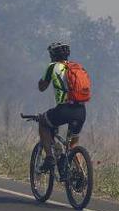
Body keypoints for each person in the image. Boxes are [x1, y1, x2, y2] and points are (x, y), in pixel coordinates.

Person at [37, 42, 86, 172]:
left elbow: (42, 87)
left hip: (64, 110)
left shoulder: (52, 66)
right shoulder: (77, 67)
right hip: (81, 110)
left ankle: (49, 158)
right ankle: (80, 172)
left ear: (52, 55)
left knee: (43, 122)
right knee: (73, 144)